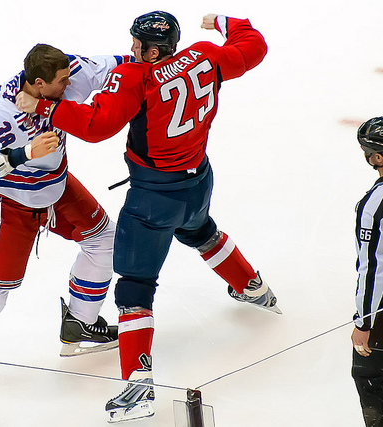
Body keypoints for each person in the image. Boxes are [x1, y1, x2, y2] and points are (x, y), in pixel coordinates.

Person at [16, 12, 280, 422]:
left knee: (135, 288)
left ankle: (137, 386)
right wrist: (230, 21)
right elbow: (253, 49)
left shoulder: (137, 77)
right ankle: (252, 286)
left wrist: (47, 105)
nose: (132, 47)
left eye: (137, 42)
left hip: (153, 198)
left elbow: (98, 124)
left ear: (152, 49)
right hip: (198, 183)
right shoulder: (206, 56)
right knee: (201, 230)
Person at [0, 44, 135, 405]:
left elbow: (116, 65)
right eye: (62, 82)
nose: (71, 85)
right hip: (8, 203)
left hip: (56, 186)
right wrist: (24, 154)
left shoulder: (68, 75)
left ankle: (79, 323)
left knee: (106, 240)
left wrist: (158, 62)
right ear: (39, 83)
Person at [352, 117, 383, 427]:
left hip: (382, 319)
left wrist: (364, 322)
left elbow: (373, 268)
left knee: (369, 376)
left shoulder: (376, 203)